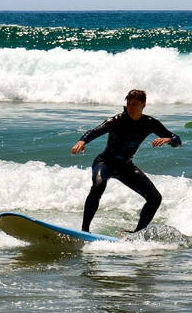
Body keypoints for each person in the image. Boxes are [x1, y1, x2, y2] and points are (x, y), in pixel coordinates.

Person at [71, 89, 181, 235]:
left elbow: (177, 140)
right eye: (128, 104)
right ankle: (84, 231)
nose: (130, 107)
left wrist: (169, 140)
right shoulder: (116, 121)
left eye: (135, 104)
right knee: (98, 186)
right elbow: (95, 131)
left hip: (125, 167)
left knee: (155, 198)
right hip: (105, 163)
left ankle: (137, 234)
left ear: (143, 105)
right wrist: (82, 140)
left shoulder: (150, 123)